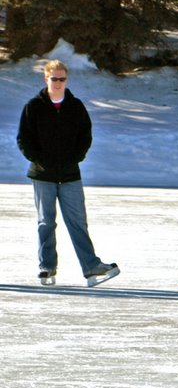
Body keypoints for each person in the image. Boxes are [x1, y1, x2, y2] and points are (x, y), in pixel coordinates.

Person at [16, 59, 119, 286]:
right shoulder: (33, 107)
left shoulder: (76, 106)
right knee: (46, 222)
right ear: (46, 79)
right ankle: (47, 268)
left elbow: (85, 136)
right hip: (42, 175)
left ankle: (91, 267)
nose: (58, 83)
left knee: (77, 222)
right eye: (54, 79)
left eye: (62, 79)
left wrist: (75, 158)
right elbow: (23, 139)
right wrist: (40, 160)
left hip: (70, 174)